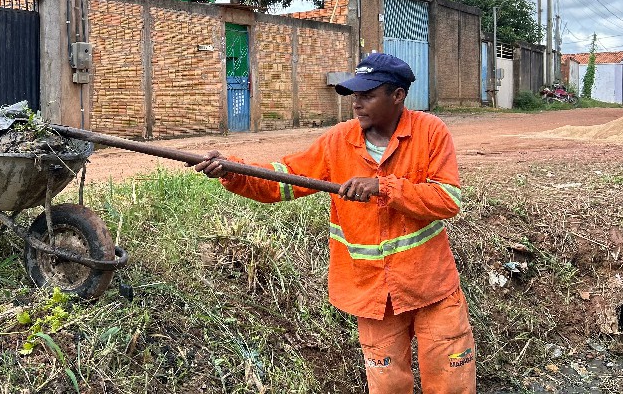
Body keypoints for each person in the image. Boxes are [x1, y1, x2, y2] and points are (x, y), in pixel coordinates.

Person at [195, 53, 475, 393]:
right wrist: (233, 169)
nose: (357, 104)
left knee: (451, 382)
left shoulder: (431, 132)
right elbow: (283, 179)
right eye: (354, 95)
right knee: (387, 386)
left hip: (432, 287)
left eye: (368, 95)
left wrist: (384, 187)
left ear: (398, 96)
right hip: (372, 295)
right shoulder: (338, 141)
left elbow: (447, 199)